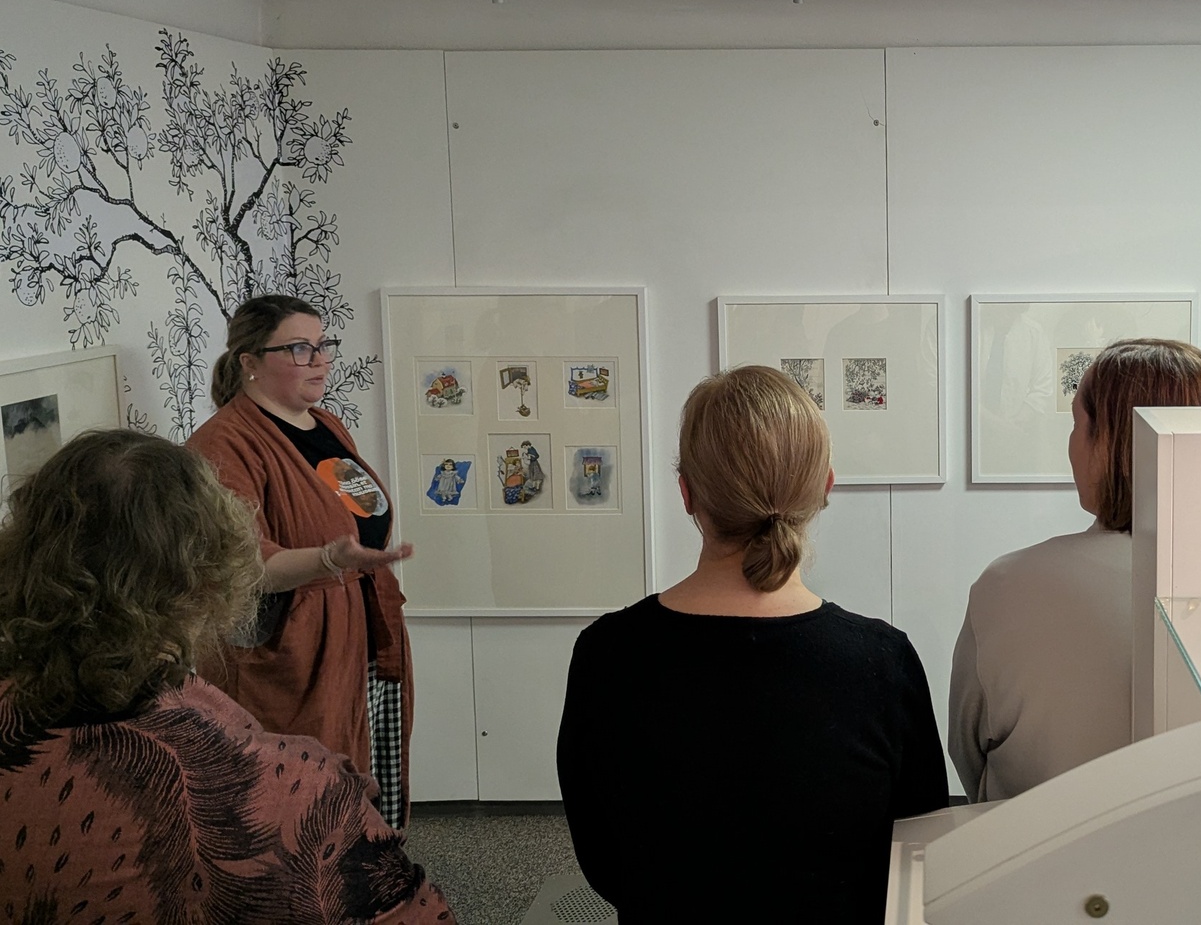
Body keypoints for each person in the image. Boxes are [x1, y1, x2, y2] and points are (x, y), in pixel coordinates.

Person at [0, 429, 455, 922]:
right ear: (209, 577)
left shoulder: (324, 426)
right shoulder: (301, 795)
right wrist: (327, 559)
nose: (319, 372)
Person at [556, 365, 948, 922]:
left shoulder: (606, 655)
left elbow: (601, 855)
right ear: (825, 488)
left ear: (687, 493)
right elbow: (917, 852)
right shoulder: (883, 663)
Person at [950, 338, 1201, 802]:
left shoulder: (1008, 586)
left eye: (1077, 423)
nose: (1071, 444)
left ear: (1110, 442)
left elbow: (968, 753)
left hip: (1038, 843)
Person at [186, 294, 416, 827]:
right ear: (250, 362)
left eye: (322, 345)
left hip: (359, 634)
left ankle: (368, 864)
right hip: (290, 653)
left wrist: (349, 562)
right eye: (299, 349)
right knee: (301, 799)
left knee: (363, 777)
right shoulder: (222, 445)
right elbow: (244, 565)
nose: (320, 361)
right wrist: (329, 559)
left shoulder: (326, 424)